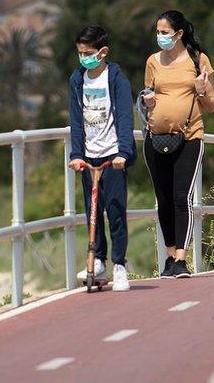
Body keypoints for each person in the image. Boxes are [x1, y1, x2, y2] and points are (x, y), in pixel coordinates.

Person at [139, 10, 214, 279]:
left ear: (179, 33)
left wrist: (200, 89)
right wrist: (146, 101)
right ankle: (169, 256)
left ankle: (182, 258)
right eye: (157, 32)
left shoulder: (198, 60)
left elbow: (211, 105)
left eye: (164, 32)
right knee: (163, 200)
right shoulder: (152, 61)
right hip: (154, 137)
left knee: (181, 197)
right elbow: (146, 95)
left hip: (189, 137)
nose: (160, 37)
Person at [68, 25, 137, 292]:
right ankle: (98, 260)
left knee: (116, 211)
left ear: (103, 52)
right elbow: (76, 120)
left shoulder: (115, 79)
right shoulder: (77, 80)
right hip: (88, 156)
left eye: (88, 53)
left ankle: (119, 265)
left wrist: (124, 152)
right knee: (92, 212)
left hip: (112, 155)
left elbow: (124, 117)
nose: (83, 57)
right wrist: (76, 154)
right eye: (80, 53)